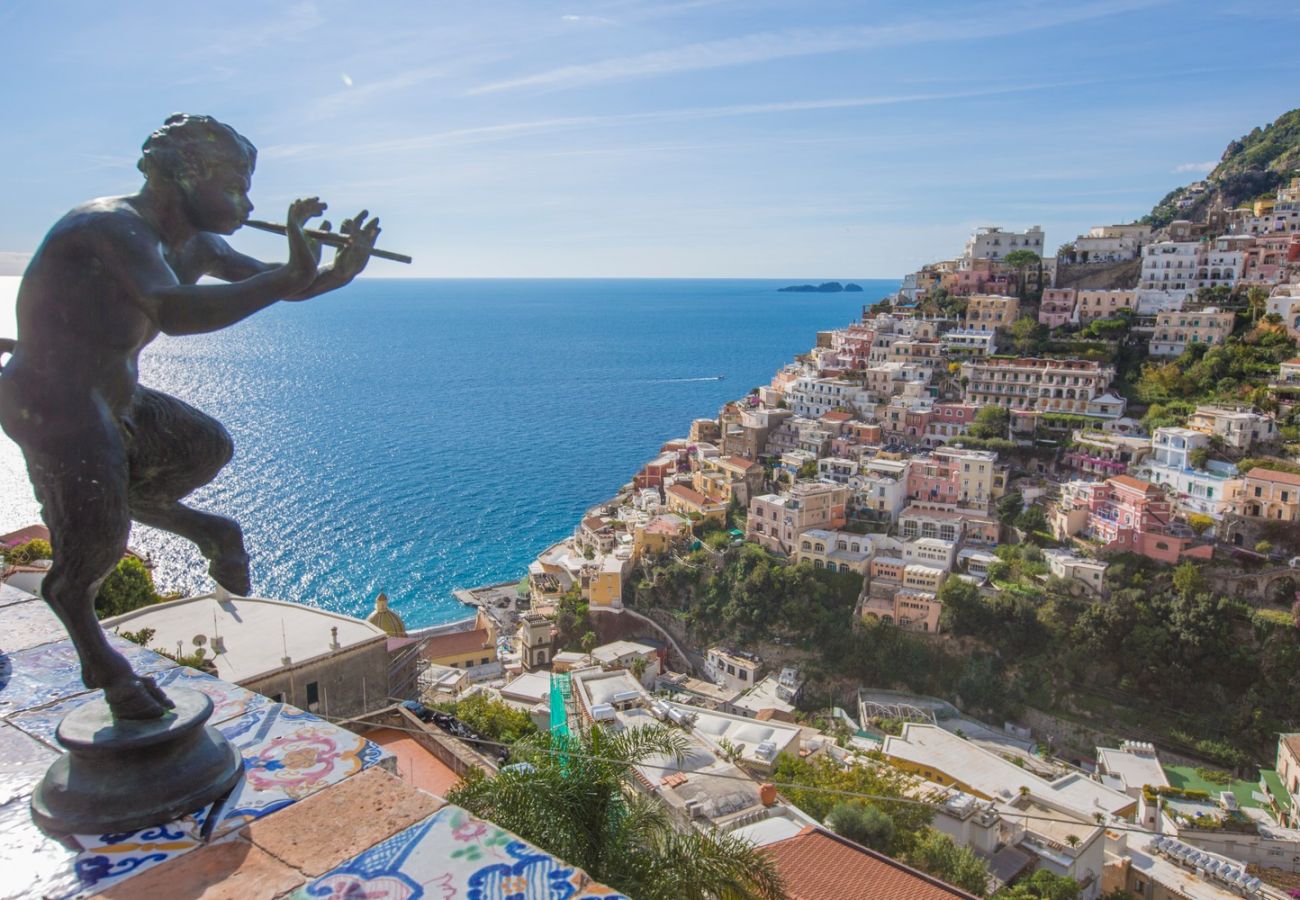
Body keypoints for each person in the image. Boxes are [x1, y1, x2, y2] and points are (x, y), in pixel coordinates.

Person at [0, 114, 379, 719]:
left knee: (204, 447)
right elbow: (173, 309)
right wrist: (289, 273)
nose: (246, 201)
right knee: (94, 546)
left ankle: (200, 527)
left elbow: (281, 283)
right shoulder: (110, 228)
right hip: (53, 400)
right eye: (235, 184)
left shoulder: (198, 244)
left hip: (114, 395)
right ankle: (100, 657)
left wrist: (335, 273)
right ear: (183, 175)